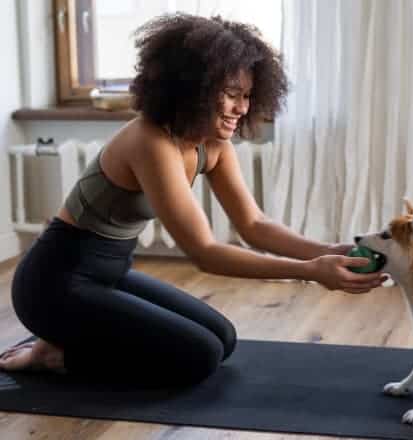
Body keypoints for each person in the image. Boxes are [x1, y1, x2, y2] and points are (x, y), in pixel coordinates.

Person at [0, 14, 384, 386]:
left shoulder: (212, 143)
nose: (243, 108)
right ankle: (55, 355)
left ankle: (74, 339)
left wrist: (324, 250)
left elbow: (253, 225)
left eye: (247, 96)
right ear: (194, 88)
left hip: (109, 274)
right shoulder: (150, 141)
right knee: (198, 355)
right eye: (232, 95)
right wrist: (312, 271)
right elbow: (204, 251)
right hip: (53, 284)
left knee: (223, 339)